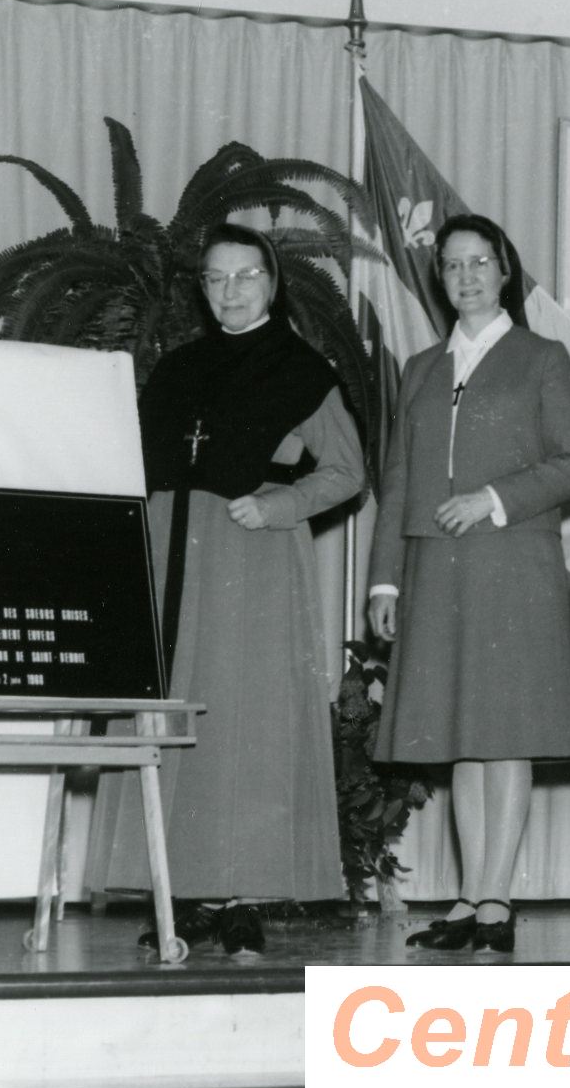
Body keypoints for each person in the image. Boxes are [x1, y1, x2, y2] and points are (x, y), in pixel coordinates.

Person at [90, 224, 364, 956]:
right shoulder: (177, 368)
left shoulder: (302, 369)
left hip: (252, 560)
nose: (231, 292)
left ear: (272, 284)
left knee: (247, 723)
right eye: (216, 279)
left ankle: (242, 896)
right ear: (202, 287)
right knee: (176, 717)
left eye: (246, 277)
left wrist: (276, 506)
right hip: (170, 552)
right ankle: (188, 892)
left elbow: (345, 470)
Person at [367, 213, 570, 956]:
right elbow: (398, 482)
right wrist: (385, 585)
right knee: (461, 738)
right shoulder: (421, 369)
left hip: (512, 565)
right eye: (453, 265)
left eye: (479, 263)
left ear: (505, 272)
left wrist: (491, 500)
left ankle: (496, 898)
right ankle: (468, 897)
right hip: (436, 570)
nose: (465, 276)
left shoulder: (541, 357)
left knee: (507, 737)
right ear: (442, 278)